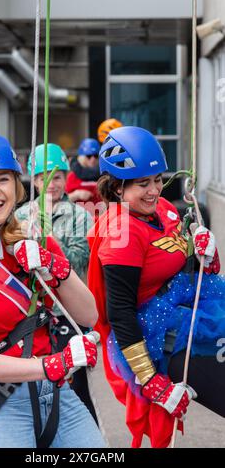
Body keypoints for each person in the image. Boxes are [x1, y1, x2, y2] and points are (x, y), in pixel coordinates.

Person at [0, 133, 105, 449]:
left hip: (53, 391)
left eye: (3, 179)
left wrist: (56, 267)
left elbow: (89, 315)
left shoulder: (37, 244)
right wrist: (55, 364)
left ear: (17, 186)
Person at [87, 126, 225, 448]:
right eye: (142, 183)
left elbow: (188, 266)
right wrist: (151, 382)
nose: (154, 190)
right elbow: (119, 313)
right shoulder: (121, 234)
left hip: (187, 311)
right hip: (154, 339)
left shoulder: (161, 209)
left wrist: (205, 250)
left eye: (158, 180)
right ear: (118, 188)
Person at [15, 143, 98, 423]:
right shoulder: (19, 217)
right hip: (30, 317)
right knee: (34, 390)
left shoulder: (80, 216)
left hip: (67, 316)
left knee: (75, 390)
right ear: (34, 181)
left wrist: (46, 242)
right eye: (42, 177)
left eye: (57, 176)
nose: (50, 184)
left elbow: (79, 260)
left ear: (66, 178)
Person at [65, 138, 102, 210]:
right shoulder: (72, 176)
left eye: (96, 156)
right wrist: (76, 194)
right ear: (81, 157)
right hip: (80, 218)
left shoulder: (104, 174)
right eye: (89, 156)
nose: (93, 159)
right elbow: (61, 202)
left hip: (101, 217)